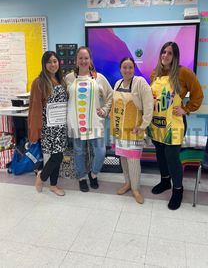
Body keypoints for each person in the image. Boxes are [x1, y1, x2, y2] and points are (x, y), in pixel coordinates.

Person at [148, 41, 203, 210]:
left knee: (172, 157)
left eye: (170, 53)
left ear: (175, 56)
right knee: (160, 154)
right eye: (163, 52)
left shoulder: (184, 73)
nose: (165, 55)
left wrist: (186, 109)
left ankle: (178, 190)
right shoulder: (154, 73)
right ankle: (165, 181)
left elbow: (198, 95)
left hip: (175, 123)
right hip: (157, 122)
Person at [65, 46, 113, 192]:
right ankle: (81, 177)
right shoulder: (68, 78)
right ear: (76, 60)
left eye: (86, 58)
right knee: (79, 152)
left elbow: (110, 95)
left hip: (95, 122)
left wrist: (105, 110)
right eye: (80, 58)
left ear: (90, 60)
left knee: (100, 151)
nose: (83, 61)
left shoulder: (99, 78)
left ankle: (93, 174)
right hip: (76, 122)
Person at [110, 57, 154, 204]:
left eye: (130, 67)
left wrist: (143, 126)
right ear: (120, 69)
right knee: (123, 158)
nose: (127, 70)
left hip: (135, 129)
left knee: (133, 160)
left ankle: (135, 189)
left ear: (133, 68)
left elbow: (149, 106)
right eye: (124, 67)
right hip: (120, 130)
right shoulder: (118, 83)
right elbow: (113, 104)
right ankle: (127, 183)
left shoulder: (140, 83)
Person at [28, 51, 68, 196]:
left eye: (55, 61)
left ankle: (53, 185)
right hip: (48, 127)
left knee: (57, 155)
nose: (53, 64)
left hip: (61, 125)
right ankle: (42, 176)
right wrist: (35, 128)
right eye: (50, 62)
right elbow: (35, 107)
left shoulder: (61, 80)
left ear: (59, 63)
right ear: (44, 64)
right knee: (56, 156)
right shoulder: (39, 82)